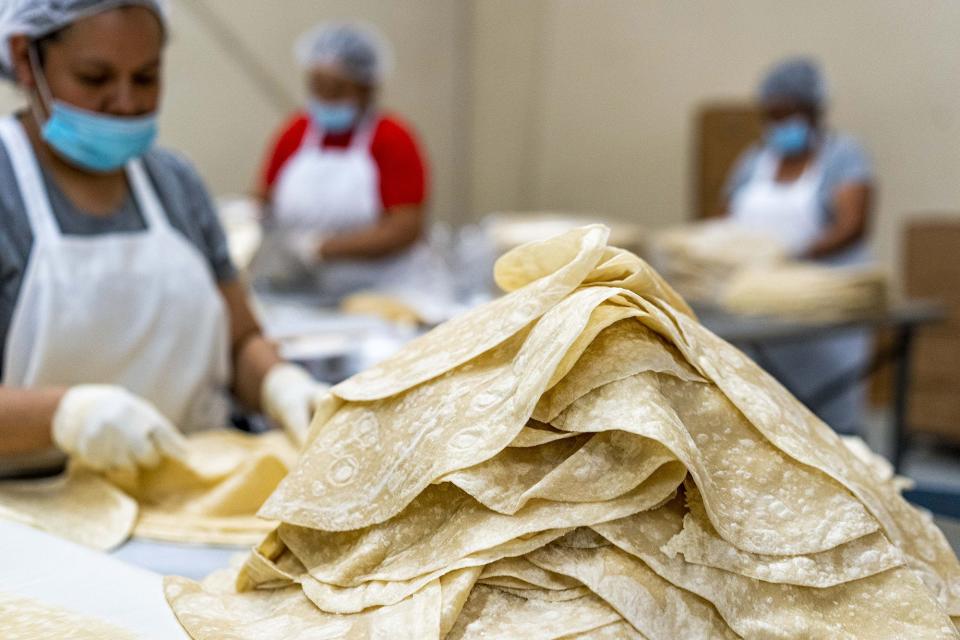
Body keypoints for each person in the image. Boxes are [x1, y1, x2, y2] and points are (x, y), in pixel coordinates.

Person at [0, 0, 327, 478]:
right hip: (38, 517)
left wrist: (279, 383)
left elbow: (238, 342)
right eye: (95, 78)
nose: (126, 102)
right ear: (26, 59)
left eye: (147, 77)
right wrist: (66, 417)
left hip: (191, 486)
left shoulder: (175, 183)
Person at [720, 57, 876, 433]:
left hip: (824, 313)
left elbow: (852, 225)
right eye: (771, 116)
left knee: (830, 426)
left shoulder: (843, 156)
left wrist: (791, 257)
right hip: (758, 307)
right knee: (762, 419)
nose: (779, 124)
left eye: (787, 113)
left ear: (813, 111)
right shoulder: (754, 161)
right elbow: (724, 220)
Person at [257, 21, 450, 306]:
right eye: (317, 87)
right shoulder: (295, 133)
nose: (324, 98)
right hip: (313, 293)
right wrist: (249, 220)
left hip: (392, 292)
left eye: (336, 90)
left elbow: (404, 228)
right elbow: (265, 199)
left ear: (366, 89)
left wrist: (321, 248)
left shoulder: (393, 138)